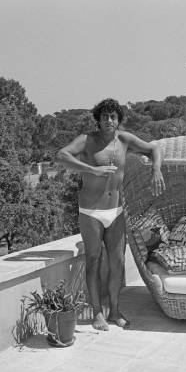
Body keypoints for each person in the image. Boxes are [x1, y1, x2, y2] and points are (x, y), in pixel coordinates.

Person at [57, 98, 165, 330]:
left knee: (117, 263)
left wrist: (156, 169)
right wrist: (91, 169)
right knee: (93, 261)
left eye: (113, 116)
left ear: (118, 120)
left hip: (115, 212)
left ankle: (115, 311)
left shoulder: (124, 140)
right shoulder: (87, 140)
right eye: (104, 116)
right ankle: (97, 313)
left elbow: (153, 147)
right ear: (98, 119)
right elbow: (62, 155)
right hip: (90, 212)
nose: (109, 120)